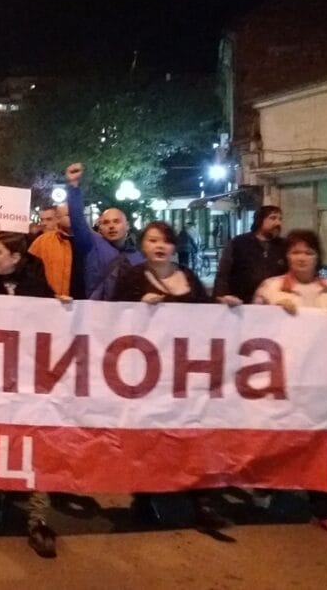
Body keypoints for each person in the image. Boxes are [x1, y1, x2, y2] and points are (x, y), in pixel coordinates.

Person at [111, 221, 226, 531]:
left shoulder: (188, 277)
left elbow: (208, 315)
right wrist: (138, 308)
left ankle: (201, 501)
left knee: (194, 434)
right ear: (143, 246)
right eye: (152, 240)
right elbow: (111, 317)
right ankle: (144, 498)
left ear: (174, 246)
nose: (159, 246)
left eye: (165, 240)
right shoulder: (132, 278)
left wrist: (226, 306)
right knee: (149, 438)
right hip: (145, 373)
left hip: (186, 372)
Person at [0, 232, 57, 557]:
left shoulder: (37, 287)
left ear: (15, 257)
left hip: (31, 380)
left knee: (37, 445)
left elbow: (54, 325)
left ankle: (38, 520)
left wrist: (65, 308)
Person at [251, 229, 327, 530]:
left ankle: (324, 506)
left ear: (317, 257)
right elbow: (246, 328)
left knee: (321, 442)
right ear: (286, 256)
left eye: (308, 252)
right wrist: (271, 314)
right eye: (296, 251)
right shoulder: (271, 288)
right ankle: (264, 485)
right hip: (280, 379)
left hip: (322, 382)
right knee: (277, 437)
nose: (302, 258)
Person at [65, 162, 145, 299]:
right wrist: (73, 186)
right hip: (97, 310)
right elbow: (77, 219)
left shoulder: (140, 257)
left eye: (116, 221)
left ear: (127, 225)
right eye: (106, 223)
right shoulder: (92, 245)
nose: (111, 226)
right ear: (100, 228)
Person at [213, 205, 286, 305]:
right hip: (240, 305)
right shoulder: (239, 243)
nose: (278, 223)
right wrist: (222, 296)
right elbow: (223, 274)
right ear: (259, 220)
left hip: (273, 305)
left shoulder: (283, 246)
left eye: (280, 219)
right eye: (273, 218)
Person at [29, 203, 84, 299]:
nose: (43, 223)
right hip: (49, 300)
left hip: (77, 302)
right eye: (42, 220)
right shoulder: (39, 242)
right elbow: (30, 274)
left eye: (49, 219)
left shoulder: (85, 241)